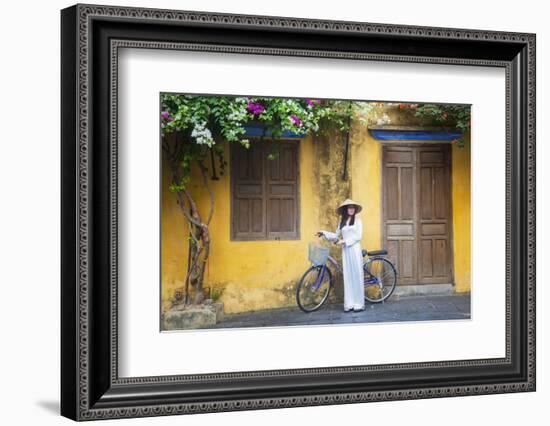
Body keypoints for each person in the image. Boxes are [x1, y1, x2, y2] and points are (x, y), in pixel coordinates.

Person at [316, 199, 365, 312]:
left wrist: (345, 241)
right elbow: (336, 235)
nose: (351, 209)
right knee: (348, 276)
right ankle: (349, 303)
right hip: (346, 251)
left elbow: (358, 236)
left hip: (354, 249)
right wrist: (323, 232)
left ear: (355, 209)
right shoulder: (342, 222)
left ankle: (359, 303)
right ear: (345, 209)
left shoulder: (358, 221)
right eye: (349, 207)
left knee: (356, 275)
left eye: (353, 207)